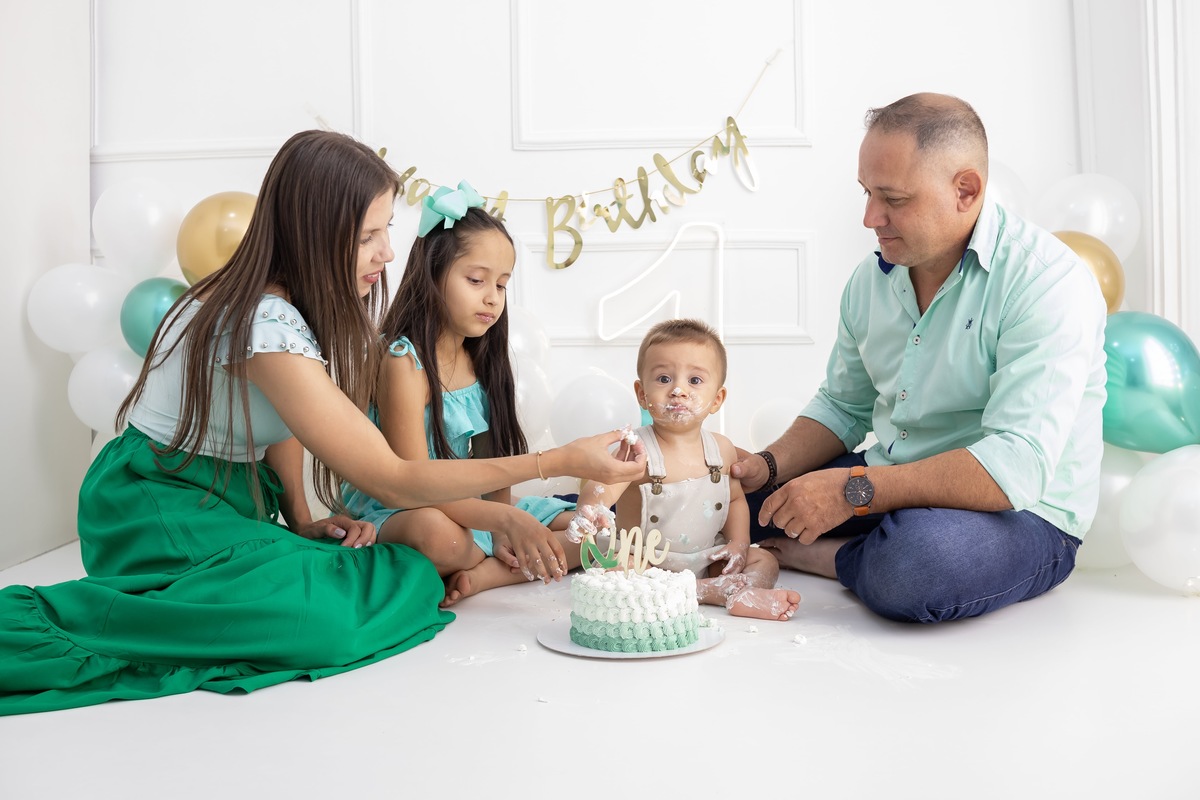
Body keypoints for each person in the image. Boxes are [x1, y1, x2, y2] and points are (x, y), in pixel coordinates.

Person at [0, 130, 645, 716]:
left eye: (387, 230)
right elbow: (392, 476)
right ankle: (56, 623)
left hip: (224, 501)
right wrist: (557, 465)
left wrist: (304, 517)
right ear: (315, 230)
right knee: (331, 620)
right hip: (156, 504)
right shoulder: (262, 320)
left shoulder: (285, 308)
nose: (388, 251)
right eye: (369, 235)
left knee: (363, 580)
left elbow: (283, 421)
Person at [731, 93, 1108, 623]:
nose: (869, 217)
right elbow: (843, 406)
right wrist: (765, 467)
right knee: (721, 507)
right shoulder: (872, 279)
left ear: (966, 190)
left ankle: (840, 558)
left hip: (1025, 512)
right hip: (893, 476)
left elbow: (1015, 468)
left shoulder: (1047, 283)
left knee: (915, 565)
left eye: (893, 198)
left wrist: (851, 492)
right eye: (866, 193)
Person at [342, 186, 581, 607]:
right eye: (476, 280)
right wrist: (502, 525)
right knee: (438, 537)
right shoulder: (403, 362)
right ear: (434, 273)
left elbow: (495, 468)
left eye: (502, 285)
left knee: (597, 530)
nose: (492, 297)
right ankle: (486, 560)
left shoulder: (484, 361)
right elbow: (412, 483)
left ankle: (488, 571)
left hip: (470, 507)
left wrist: (504, 523)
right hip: (405, 506)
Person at [571, 319, 801, 621]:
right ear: (642, 394)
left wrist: (738, 544)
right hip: (646, 563)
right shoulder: (636, 449)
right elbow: (601, 487)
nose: (678, 390)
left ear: (717, 399)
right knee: (615, 571)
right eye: (664, 379)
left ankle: (731, 590)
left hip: (705, 557)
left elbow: (734, 500)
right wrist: (591, 507)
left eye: (694, 381)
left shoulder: (721, 449)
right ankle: (713, 592)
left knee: (765, 562)